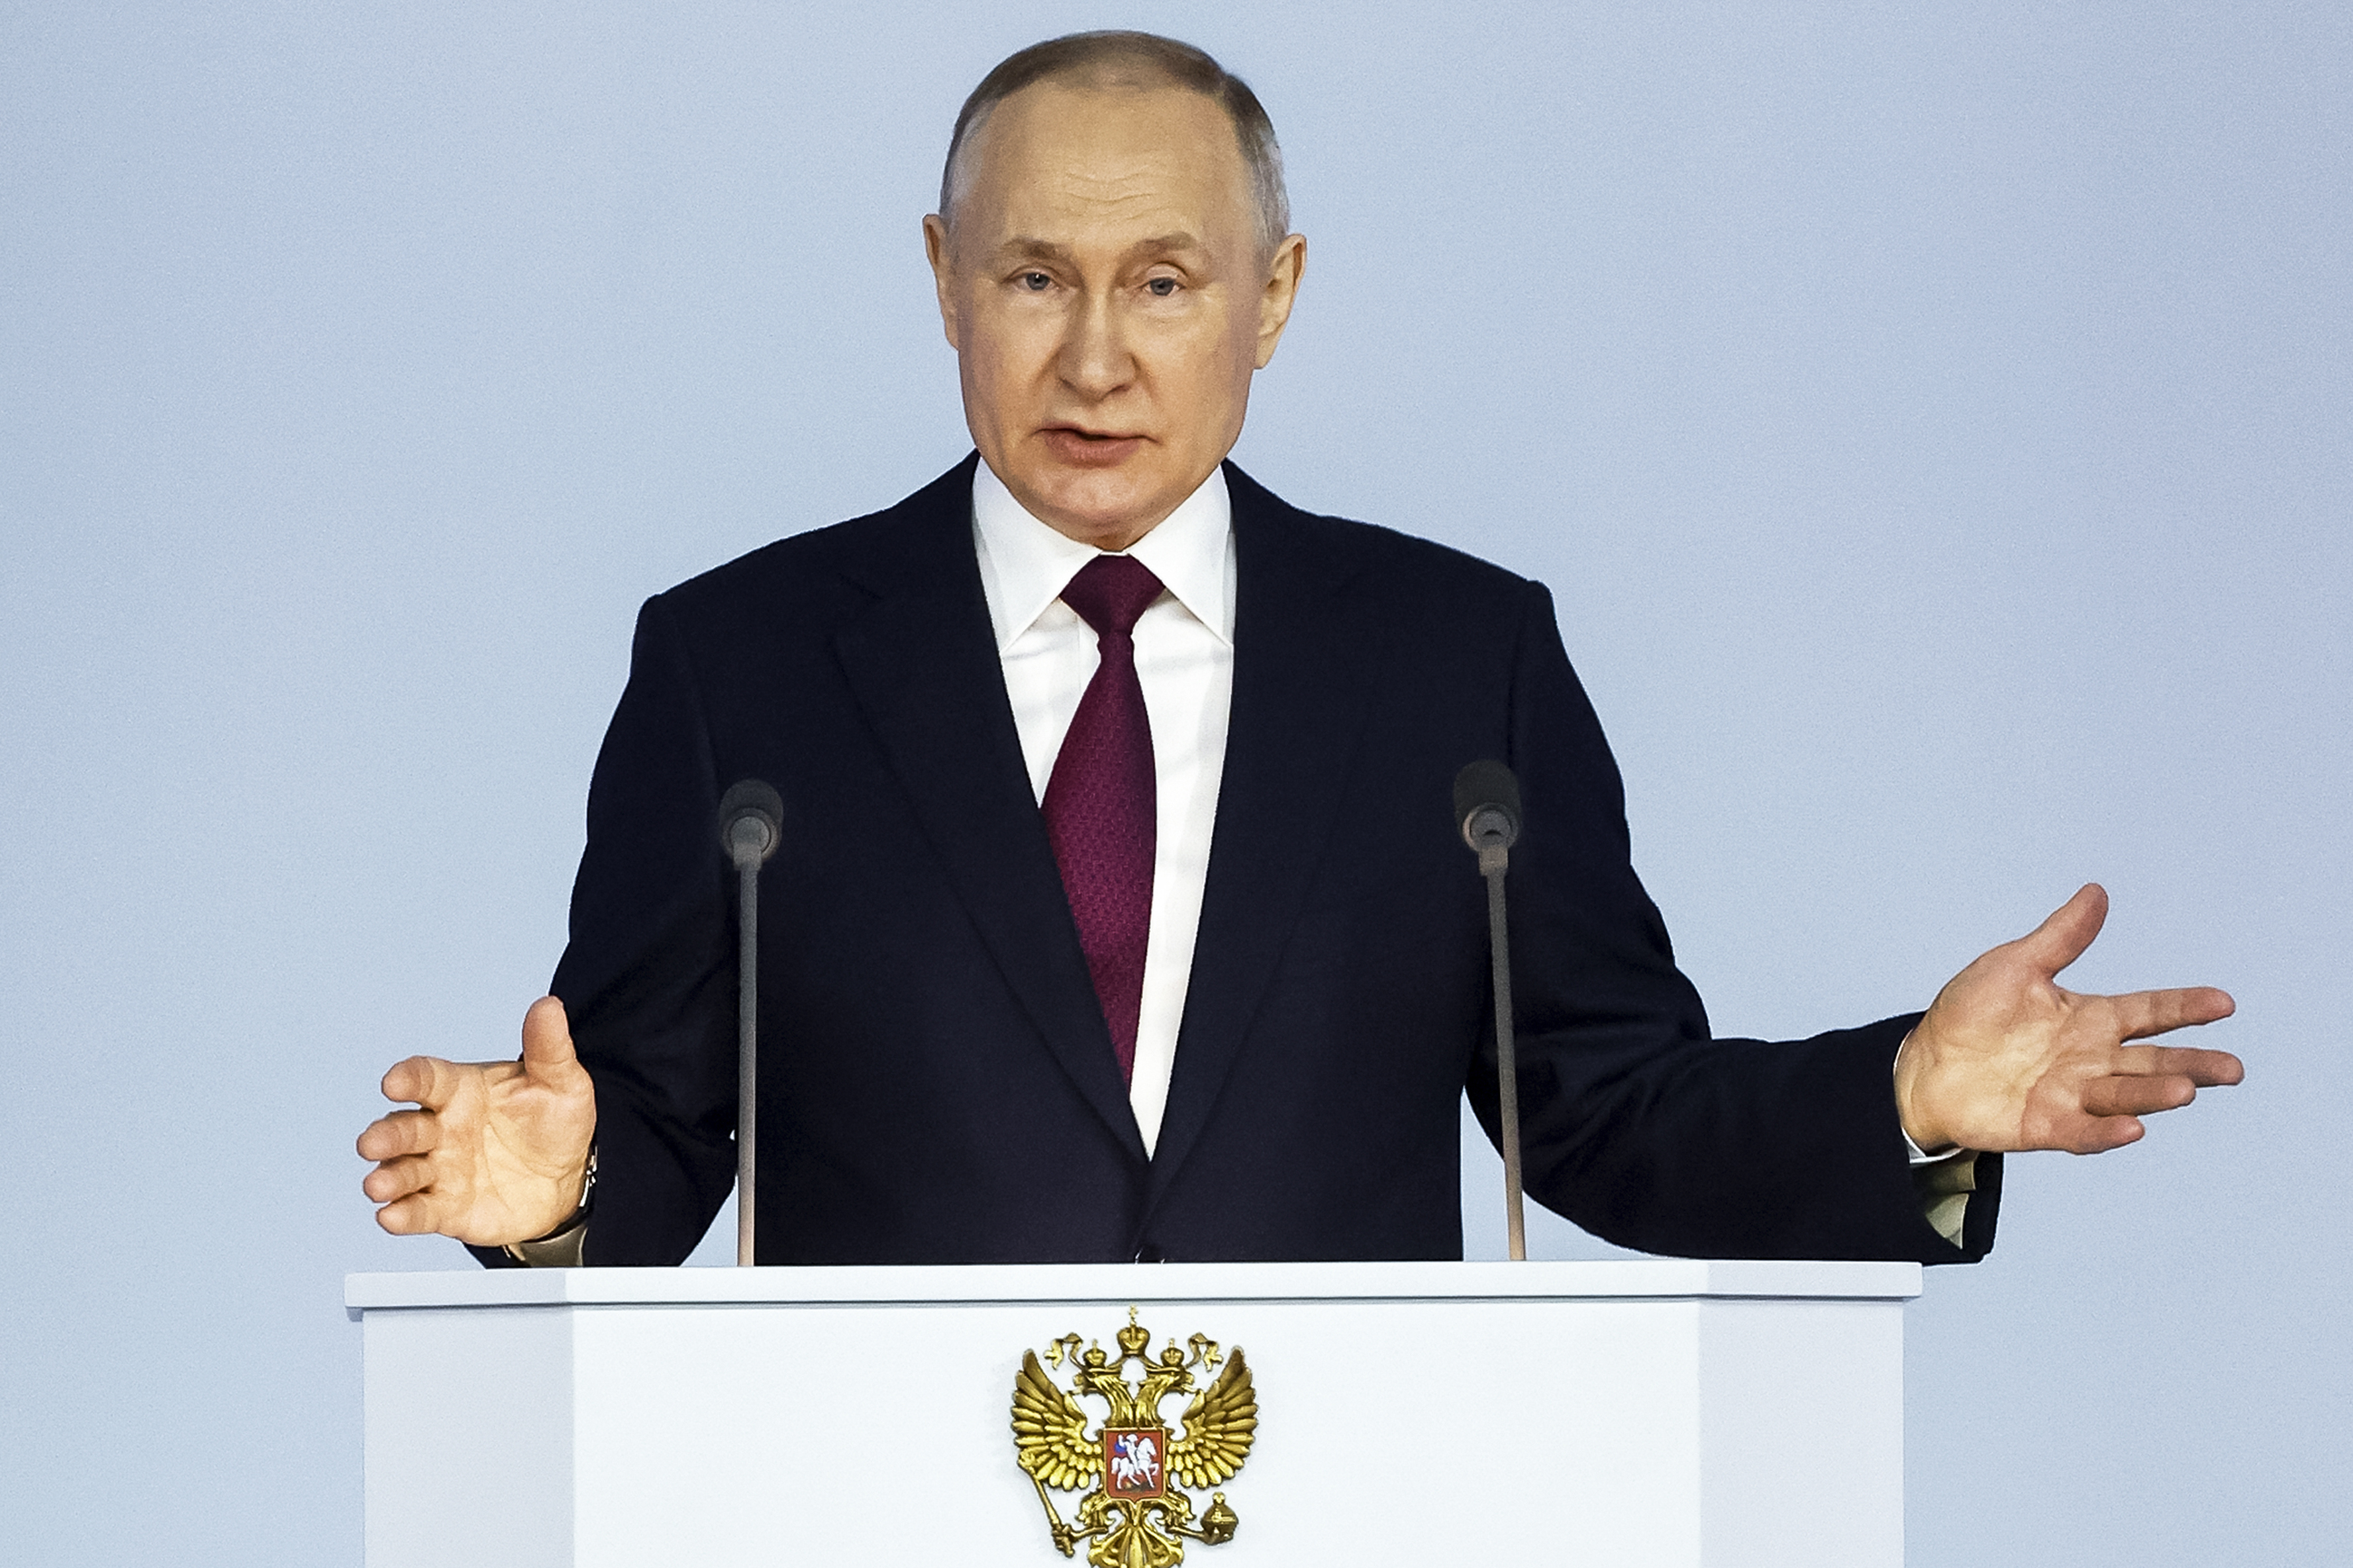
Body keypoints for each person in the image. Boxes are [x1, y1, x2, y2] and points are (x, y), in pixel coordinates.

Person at [356, 32, 2241, 1268]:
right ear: (940, 275)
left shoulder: (1454, 665)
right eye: (1033, 280)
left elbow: (1603, 1114)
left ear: (1274, 294)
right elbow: (656, 1135)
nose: (1094, 359)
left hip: (1354, 1505)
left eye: (1162, 284)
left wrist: (1898, 1096)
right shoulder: (738, 667)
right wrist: (556, 1199)